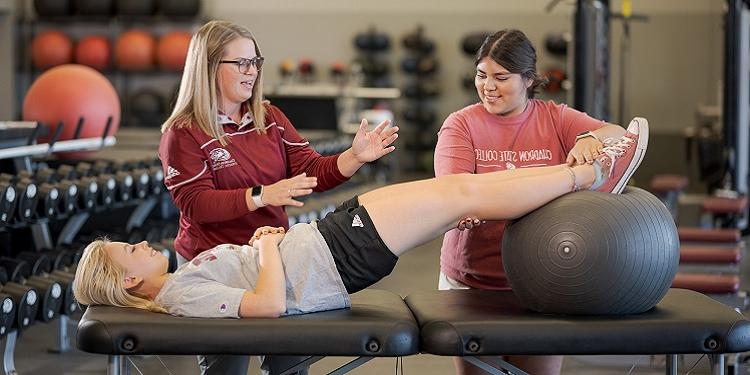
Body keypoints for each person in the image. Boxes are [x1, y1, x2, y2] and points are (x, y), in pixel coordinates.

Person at [74, 117, 647, 321]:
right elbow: (267, 307)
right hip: (335, 252)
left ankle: (577, 172)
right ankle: (586, 177)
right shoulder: (180, 295)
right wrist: (269, 247)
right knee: (463, 196)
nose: (139, 245)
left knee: (460, 190)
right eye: (129, 253)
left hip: (331, 243)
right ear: (128, 281)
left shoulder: (182, 282)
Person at [158, 20, 398, 374]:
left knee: (288, 366)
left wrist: (354, 157)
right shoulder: (183, 133)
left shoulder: (269, 117)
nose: (251, 71)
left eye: (255, 62)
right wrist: (262, 195)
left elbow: (310, 171)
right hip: (214, 265)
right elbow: (196, 204)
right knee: (225, 368)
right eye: (240, 63)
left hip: (271, 260)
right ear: (208, 67)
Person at [435, 29, 630, 375]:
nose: (488, 86)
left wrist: (590, 137)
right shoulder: (460, 125)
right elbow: (454, 195)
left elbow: (618, 133)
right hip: (473, 282)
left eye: (501, 77)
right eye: (481, 75)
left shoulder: (554, 117)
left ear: (528, 79)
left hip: (541, 280)